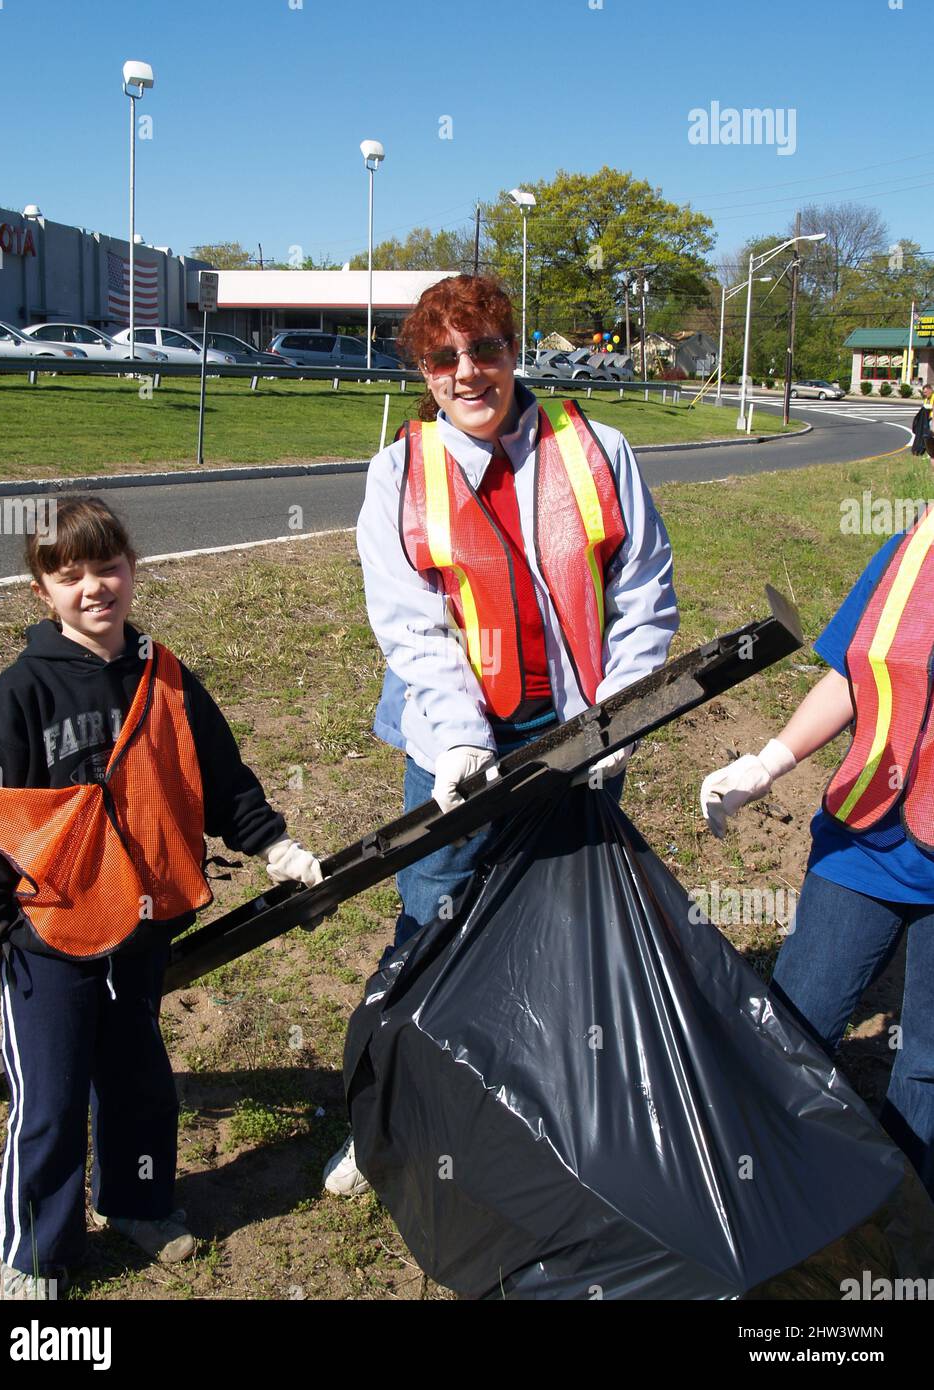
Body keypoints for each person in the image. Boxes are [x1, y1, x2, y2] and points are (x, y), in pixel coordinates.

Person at [324, 274, 678, 1195]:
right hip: (453, 739)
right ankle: (388, 1119)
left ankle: (551, 1112)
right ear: (423, 369)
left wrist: (616, 722)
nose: (468, 372)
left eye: (485, 349)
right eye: (443, 358)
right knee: (431, 917)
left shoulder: (597, 447)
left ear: (515, 348)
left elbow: (644, 595)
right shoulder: (398, 471)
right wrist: (458, 743)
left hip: (575, 736)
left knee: (565, 924)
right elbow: (409, 625)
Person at [0, 496, 322, 1298]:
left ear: (134, 570)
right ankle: (37, 1255)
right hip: (48, 935)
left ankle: (137, 1201)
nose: (95, 587)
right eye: (70, 574)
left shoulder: (169, 679)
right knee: (50, 1101)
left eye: (109, 567)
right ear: (42, 591)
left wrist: (273, 844)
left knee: (139, 1081)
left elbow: (221, 780)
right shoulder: (17, 694)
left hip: (144, 924)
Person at [700, 516, 934, 1199]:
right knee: (793, 1032)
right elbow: (851, 673)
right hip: (866, 837)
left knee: (925, 1065)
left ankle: (900, 1234)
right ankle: (767, 1203)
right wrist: (766, 764)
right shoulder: (910, 547)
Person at [911, 384, 933, 457]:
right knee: (927, 437)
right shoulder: (926, 399)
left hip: (932, 420)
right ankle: (928, 451)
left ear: (930, 390)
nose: (924, 394)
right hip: (927, 420)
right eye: (924, 392)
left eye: (926, 392)